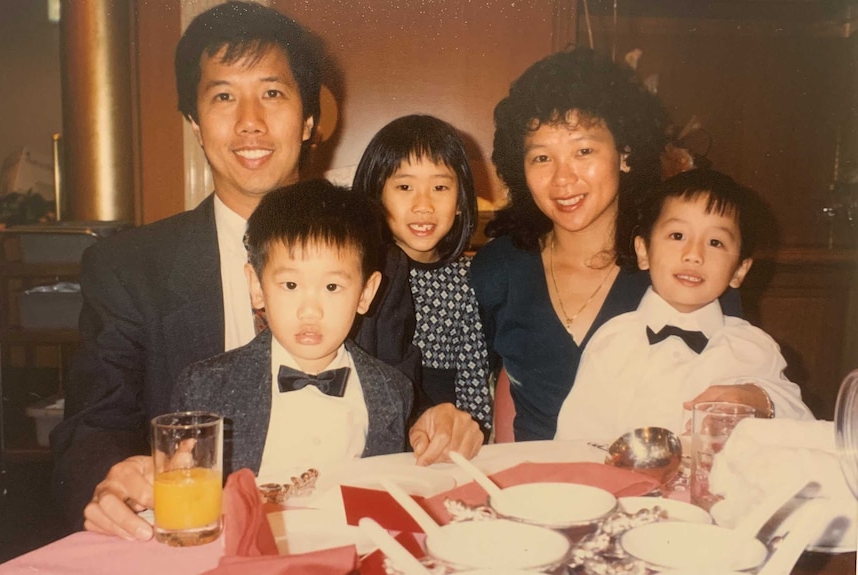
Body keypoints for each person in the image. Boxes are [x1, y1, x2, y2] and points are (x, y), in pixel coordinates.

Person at [53, 1, 481, 536]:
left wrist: (439, 418)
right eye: (224, 96)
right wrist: (111, 478)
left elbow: (401, 396)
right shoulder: (128, 268)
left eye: (272, 93)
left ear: (309, 121)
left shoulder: (377, 259)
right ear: (193, 122)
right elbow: (92, 426)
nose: (250, 122)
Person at [470, 47, 747, 441]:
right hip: (532, 490)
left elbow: (746, 382)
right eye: (542, 158)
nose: (563, 179)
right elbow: (494, 381)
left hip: (649, 489)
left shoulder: (685, 262)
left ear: (625, 153)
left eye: (584, 151)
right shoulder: (498, 268)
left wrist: (759, 398)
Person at [554, 169, 815, 443]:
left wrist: (757, 399)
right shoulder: (612, 342)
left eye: (715, 242)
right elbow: (575, 441)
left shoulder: (754, 347)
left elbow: (802, 428)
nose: (694, 254)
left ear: (740, 269)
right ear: (644, 251)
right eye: (677, 236)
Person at [352, 115, 491, 432]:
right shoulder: (360, 273)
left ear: (460, 202)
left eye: (440, 187)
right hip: (371, 421)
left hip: (440, 427)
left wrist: (474, 430)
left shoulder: (468, 277)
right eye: (404, 186)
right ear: (376, 196)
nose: (424, 205)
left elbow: (473, 369)